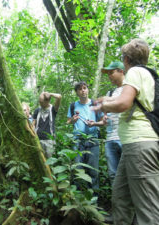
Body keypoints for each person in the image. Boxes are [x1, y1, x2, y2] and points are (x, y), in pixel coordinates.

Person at [93, 39, 159, 225]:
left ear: (127, 59)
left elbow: (123, 103)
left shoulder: (135, 72)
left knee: (148, 207)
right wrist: (106, 101)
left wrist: (102, 106)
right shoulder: (146, 74)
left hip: (140, 143)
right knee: (121, 198)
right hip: (132, 145)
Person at [67, 81, 104, 192]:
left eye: (85, 88)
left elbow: (103, 121)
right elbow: (68, 121)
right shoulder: (73, 105)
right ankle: (78, 197)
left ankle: (93, 198)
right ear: (77, 92)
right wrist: (73, 120)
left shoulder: (94, 104)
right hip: (78, 140)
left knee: (93, 170)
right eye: (80, 89)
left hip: (93, 140)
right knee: (77, 169)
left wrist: (94, 123)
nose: (83, 90)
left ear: (88, 90)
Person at [101, 61, 125, 185]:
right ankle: (117, 203)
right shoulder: (110, 93)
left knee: (128, 174)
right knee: (113, 174)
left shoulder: (129, 89)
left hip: (125, 138)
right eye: (108, 73)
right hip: (110, 138)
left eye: (111, 72)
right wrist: (104, 118)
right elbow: (105, 113)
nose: (109, 76)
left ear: (121, 71)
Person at [32, 92, 62, 158]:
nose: (40, 103)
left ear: (47, 101)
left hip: (49, 141)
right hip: (38, 139)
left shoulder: (53, 109)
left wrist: (49, 94)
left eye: (41, 102)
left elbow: (59, 97)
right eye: (39, 101)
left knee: (50, 161)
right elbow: (33, 123)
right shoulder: (37, 110)